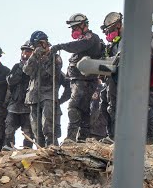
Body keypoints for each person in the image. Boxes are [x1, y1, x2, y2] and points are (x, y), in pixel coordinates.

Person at [50, 13, 104, 142]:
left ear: (83, 25)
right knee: (83, 110)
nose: (74, 31)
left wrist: (61, 46)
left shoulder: (90, 38)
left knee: (74, 107)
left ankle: (71, 137)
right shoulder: (82, 42)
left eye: (75, 28)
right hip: (77, 82)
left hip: (85, 82)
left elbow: (78, 46)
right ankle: (82, 139)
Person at [23, 30, 63, 147]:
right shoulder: (34, 58)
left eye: (41, 44)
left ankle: (52, 148)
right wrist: (35, 55)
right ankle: (40, 149)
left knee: (48, 127)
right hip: (33, 98)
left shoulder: (55, 57)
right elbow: (27, 71)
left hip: (48, 96)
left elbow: (54, 74)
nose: (39, 47)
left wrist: (45, 58)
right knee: (36, 130)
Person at [5, 41, 35, 148]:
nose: (25, 54)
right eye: (24, 51)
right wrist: (20, 69)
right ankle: (8, 150)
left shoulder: (37, 67)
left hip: (29, 105)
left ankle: (27, 152)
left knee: (28, 133)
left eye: (28, 52)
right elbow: (11, 81)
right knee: (8, 130)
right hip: (14, 105)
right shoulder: (16, 66)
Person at [101, 12, 123, 140]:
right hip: (111, 79)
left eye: (111, 30)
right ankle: (111, 135)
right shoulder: (115, 43)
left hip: (121, 79)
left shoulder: (128, 40)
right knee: (105, 106)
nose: (109, 34)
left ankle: (116, 136)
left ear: (119, 25)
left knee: (115, 107)